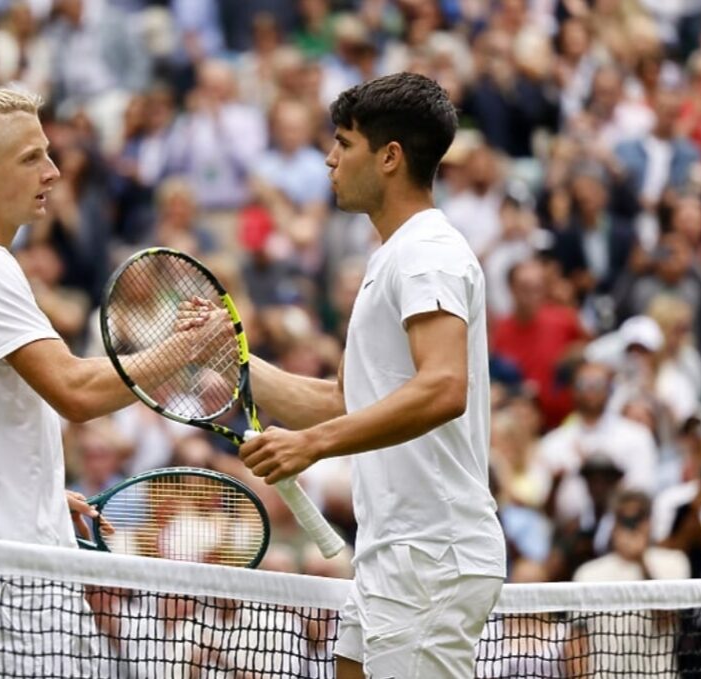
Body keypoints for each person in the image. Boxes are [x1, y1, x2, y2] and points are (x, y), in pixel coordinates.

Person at [0, 24, 208, 678]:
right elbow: (76, 392)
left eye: (49, 154)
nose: (54, 171)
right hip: (18, 587)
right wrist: (183, 349)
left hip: (2, 576)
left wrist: (24, 489)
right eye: (32, 157)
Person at [239, 72, 505, 679]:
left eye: (343, 143)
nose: (329, 159)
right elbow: (344, 400)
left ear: (389, 157)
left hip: (430, 553)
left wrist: (310, 446)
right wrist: (232, 360)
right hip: (394, 551)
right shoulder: (392, 255)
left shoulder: (427, 252)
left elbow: (443, 388)